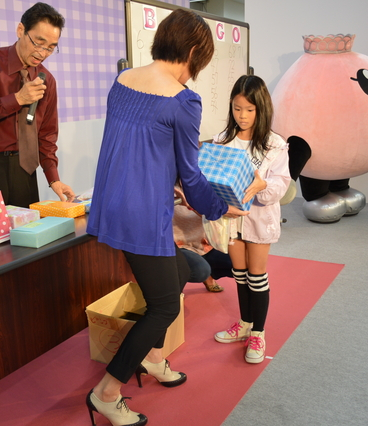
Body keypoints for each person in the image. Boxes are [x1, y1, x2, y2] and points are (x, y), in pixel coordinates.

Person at [85, 9, 248, 426]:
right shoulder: (183, 100)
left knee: (179, 272)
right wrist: (219, 207)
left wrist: (168, 179)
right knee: (163, 307)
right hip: (142, 214)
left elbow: (139, 150)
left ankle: (154, 358)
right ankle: (106, 393)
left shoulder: (122, 80)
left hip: (110, 203)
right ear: (193, 52)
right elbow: (191, 176)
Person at [0, 2, 74, 208]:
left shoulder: (47, 80)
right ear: (21, 30)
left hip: (24, 169)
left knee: (28, 227)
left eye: (50, 48)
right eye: (38, 43)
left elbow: (46, 135)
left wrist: (53, 179)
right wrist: (17, 99)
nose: (42, 53)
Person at [213, 75, 291, 364]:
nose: (242, 116)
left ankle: (258, 333)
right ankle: (245, 324)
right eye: (237, 108)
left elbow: (281, 185)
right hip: (231, 220)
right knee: (240, 274)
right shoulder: (223, 139)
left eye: (249, 109)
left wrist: (262, 186)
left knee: (257, 276)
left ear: (261, 108)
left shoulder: (274, 144)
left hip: (259, 218)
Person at [173, 188, 233, 292]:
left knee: (240, 263)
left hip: (205, 243)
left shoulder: (203, 183)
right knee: (200, 271)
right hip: (178, 245)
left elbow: (215, 215)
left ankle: (209, 274)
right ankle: (174, 289)